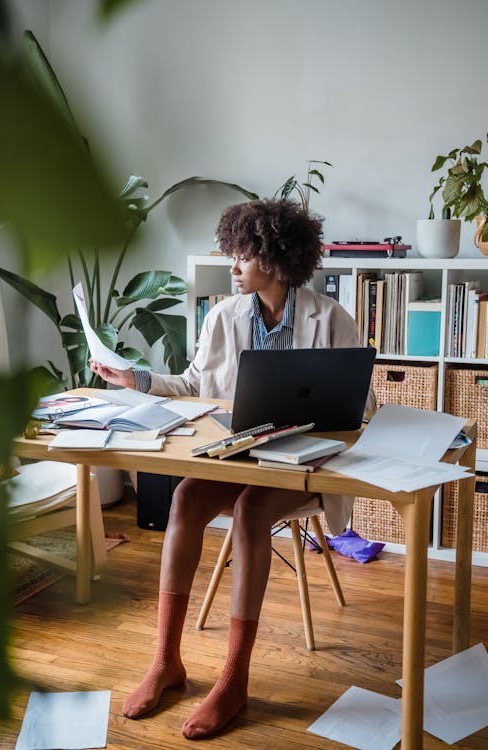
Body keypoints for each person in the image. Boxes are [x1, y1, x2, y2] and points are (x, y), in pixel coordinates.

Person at [90, 198, 375, 740]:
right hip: (241, 450)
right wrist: (137, 380)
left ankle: (234, 679)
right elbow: (195, 383)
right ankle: (166, 663)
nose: (232, 266)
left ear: (273, 256)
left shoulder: (331, 317)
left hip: (303, 462)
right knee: (185, 500)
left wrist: (346, 412)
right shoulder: (222, 316)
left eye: (241, 255)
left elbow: (358, 402)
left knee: (249, 512)